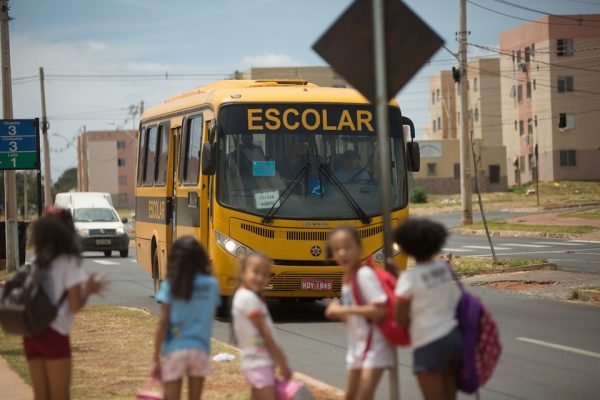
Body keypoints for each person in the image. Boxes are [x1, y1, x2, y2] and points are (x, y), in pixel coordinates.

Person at [23, 206, 109, 400]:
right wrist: (89, 289)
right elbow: (74, 304)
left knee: (41, 396)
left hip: (31, 333)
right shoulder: (68, 261)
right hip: (55, 335)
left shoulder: (38, 259)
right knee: (61, 396)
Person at [393, 219, 462, 400]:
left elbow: (400, 317)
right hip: (453, 339)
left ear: (406, 248)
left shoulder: (408, 279)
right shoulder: (444, 270)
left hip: (428, 342)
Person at [324, 226, 393, 400]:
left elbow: (380, 309)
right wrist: (339, 314)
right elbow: (354, 318)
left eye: (348, 247)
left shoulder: (364, 275)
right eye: (337, 248)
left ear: (359, 248)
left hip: (374, 347)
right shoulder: (347, 279)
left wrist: (342, 309)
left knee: (363, 396)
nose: (342, 253)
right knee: (350, 396)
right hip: (356, 347)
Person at [152, 236, 220, 400]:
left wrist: (155, 356)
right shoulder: (211, 284)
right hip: (200, 349)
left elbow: (163, 322)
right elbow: (211, 316)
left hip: (175, 348)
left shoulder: (171, 285)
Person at [231, 253, 292, 400]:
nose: (260, 278)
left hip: (256, 361)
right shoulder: (248, 298)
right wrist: (282, 362)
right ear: (242, 272)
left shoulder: (245, 296)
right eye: (255, 272)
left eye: (265, 274)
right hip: (259, 363)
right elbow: (265, 332)